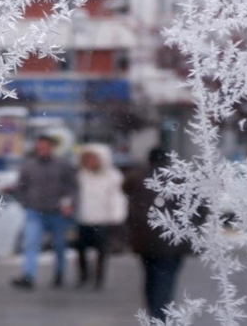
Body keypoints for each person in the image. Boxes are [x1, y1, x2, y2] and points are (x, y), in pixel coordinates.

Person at [123, 147, 191, 321]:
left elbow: (126, 190)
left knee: (150, 277)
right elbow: (198, 209)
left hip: (144, 239)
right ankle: (160, 314)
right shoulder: (181, 180)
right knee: (166, 278)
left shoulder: (136, 178)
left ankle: (153, 310)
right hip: (173, 241)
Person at [10, 134, 77, 290]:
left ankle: (59, 274)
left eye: (44, 146)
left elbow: (72, 188)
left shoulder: (62, 165)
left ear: (51, 147)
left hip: (57, 213)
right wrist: (25, 203)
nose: (41, 149)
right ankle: (28, 276)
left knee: (59, 245)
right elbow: (20, 187)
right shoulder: (28, 165)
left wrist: (68, 203)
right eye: (39, 146)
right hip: (35, 212)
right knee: (31, 244)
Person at [74, 143, 128, 290]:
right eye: (87, 158)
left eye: (93, 158)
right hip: (83, 218)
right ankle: (83, 277)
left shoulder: (113, 176)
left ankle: (99, 279)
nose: (89, 162)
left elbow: (117, 197)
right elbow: (73, 195)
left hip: (103, 220)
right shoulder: (81, 176)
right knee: (81, 250)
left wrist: (117, 216)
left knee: (101, 252)